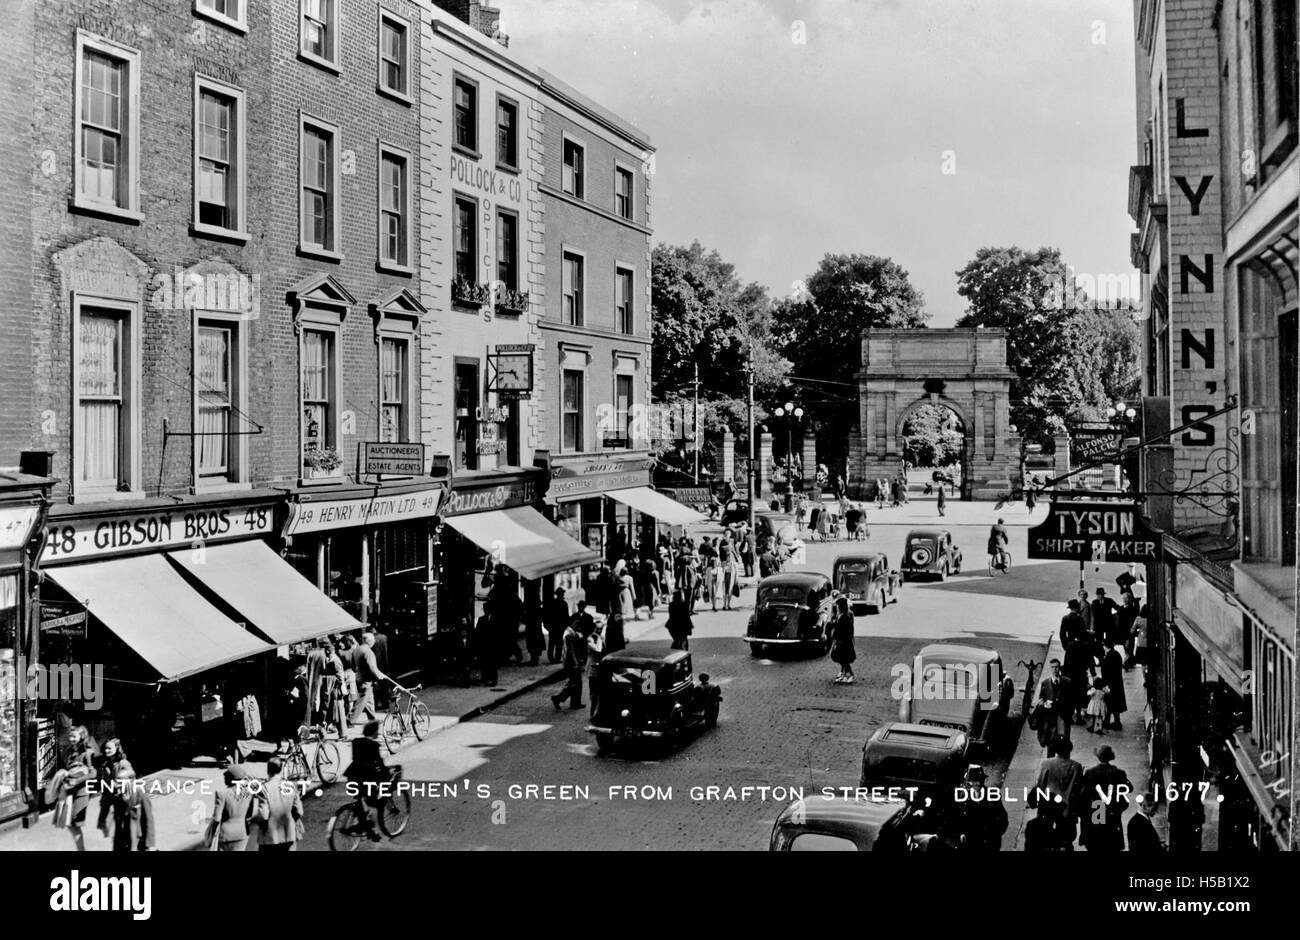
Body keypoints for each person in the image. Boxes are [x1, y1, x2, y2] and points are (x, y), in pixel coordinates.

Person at [1030, 735, 1084, 850]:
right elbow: (1079, 790)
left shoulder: (1046, 764)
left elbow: (1040, 785)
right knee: (1067, 841)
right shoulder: (1076, 767)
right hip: (1067, 809)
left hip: (1048, 807)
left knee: (1046, 840)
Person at [343, 720, 389, 842]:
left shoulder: (356, 742)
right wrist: (387, 775)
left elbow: (356, 759)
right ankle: (370, 829)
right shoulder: (374, 746)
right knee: (375, 802)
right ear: (374, 733)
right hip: (366, 778)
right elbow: (380, 764)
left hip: (352, 776)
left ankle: (364, 824)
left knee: (360, 798)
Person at [1080, 744, 1130, 852]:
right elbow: (1128, 789)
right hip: (1113, 818)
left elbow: (1084, 797)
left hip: (1096, 816)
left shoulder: (1090, 773)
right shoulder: (1119, 773)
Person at [55, 726, 95, 851]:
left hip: (81, 792)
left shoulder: (87, 753)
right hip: (69, 791)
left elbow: (92, 773)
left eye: (74, 736)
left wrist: (76, 781)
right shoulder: (68, 751)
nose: (71, 739)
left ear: (81, 737)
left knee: (74, 823)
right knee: (69, 822)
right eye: (70, 736)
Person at [254, 757, 305, 851]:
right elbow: (299, 811)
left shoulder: (264, 788)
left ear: (268, 770)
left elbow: (263, 816)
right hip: (289, 835)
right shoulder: (290, 786)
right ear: (281, 770)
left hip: (270, 837)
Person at [953, 765, 1008, 851]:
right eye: (975, 781)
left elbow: (1002, 818)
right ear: (970, 782)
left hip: (989, 842)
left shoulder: (992, 795)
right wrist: (961, 833)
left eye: (980, 780)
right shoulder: (965, 798)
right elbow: (959, 819)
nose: (978, 783)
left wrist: (995, 835)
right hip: (972, 842)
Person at [105, 762, 154, 852]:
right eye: (116, 780)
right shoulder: (117, 796)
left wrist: (150, 844)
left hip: (136, 837)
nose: (117, 783)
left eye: (121, 779)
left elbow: (148, 819)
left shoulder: (140, 793)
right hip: (121, 837)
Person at [551, 605, 590, 710]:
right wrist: (576, 663)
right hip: (572, 663)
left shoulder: (571, 633)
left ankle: (570, 702)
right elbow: (570, 651)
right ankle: (561, 699)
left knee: (574, 683)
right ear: (572, 623)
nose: (578, 626)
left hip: (571, 662)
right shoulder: (569, 635)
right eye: (576, 624)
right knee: (576, 683)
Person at [208, 764, 255, 852]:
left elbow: (216, 818)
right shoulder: (249, 793)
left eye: (226, 775)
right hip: (242, 833)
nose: (224, 776)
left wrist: (212, 834)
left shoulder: (222, 794)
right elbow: (249, 815)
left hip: (225, 835)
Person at [348, 632, 388, 726]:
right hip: (366, 680)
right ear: (369, 641)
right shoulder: (369, 652)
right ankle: (349, 719)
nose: (374, 642)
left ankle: (372, 718)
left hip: (358, 678)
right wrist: (380, 676)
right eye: (373, 640)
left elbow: (353, 667)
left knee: (369, 700)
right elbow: (373, 667)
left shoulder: (356, 650)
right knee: (362, 701)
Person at [1063, 635, 1096, 725]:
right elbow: (1091, 662)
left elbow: (1066, 662)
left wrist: (1064, 675)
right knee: (1079, 696)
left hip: (1070, 675)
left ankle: (1069, 718)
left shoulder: (1070, 646)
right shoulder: (1086, 647)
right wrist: (1093, 674)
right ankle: (1078, 718)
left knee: (1070, 696)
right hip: (1081, 675)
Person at [830, 596, 856, 684]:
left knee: (844, 660)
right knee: (842, 660)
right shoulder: (840, 615)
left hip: (844, 642)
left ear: (841, 606)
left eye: (837, 606)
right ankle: (844, 674)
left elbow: (844, 630)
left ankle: (850, 675)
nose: (836, 607)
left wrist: (837, 639)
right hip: (841, 641)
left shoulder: (845, 617)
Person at [1100, 644, 1127, 730]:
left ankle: (1107, 721)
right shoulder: (1116, 654)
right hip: (1117, 683)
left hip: (1110, 683)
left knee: (1109, 703)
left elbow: (1106, 670)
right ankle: (1117, 721)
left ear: (1106, 646)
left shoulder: (1109, 656)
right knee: (1116, 704)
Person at [474, 601, 498, 686]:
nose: (485, 611)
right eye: (484, 610)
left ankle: (493, 679)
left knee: (492, 663)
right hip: (484, 645)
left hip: (492, 645)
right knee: (484, 662)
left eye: (487, 609)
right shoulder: (481, 619)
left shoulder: (496, 619)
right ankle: (485, 678)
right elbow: (477, 632)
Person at [1090, 587, 1119, 653]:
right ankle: (1101, 656)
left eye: (1099, 594)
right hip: (1098, 625)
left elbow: (1117, 607)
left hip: (1108, 624)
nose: (1098, 596)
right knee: (1098, 641)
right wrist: (1093, 626)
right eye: (1097, 594)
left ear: (1103, 595)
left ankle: (1110, 653)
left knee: (1109, 640)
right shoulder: (1094, 602)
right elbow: (1093, 615)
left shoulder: (1109, 601)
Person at [545, 588, 569, 664]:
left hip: (552, 626)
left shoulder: (552, 603)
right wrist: (565, 626)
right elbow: (566, 617)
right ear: (562, 594)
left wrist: (547, 626)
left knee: (552, 642)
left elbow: (547, 615)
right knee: (559, 643)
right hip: (560, 627)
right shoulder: (564, 603)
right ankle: (557, 658)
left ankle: (551, 657)